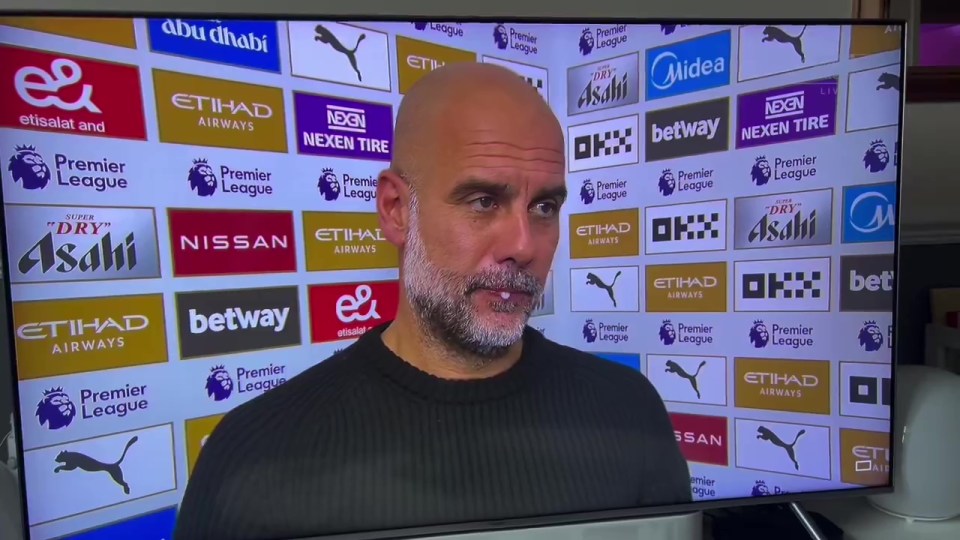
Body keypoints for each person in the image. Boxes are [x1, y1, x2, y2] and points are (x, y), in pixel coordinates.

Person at [173, 62, 691, 540]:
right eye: (484, 201)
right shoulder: (251, 457)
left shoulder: (629, 412)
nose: (524, 246)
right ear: (396, 210)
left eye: (545, 207)